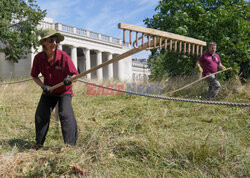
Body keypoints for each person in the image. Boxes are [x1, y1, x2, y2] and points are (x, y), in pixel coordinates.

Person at [31, 29, 79, 148]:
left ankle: (70, 146)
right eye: (51, 40)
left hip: (64, 91)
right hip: (49, 91)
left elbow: (75, 75)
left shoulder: (63, 56)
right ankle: (39, 143)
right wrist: (43, 86)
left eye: (56, 41)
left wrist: (69, 79)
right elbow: (34, 76)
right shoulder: (38, 58)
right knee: (41, 114)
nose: (54, 43)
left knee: (65, 114)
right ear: (44, 42)